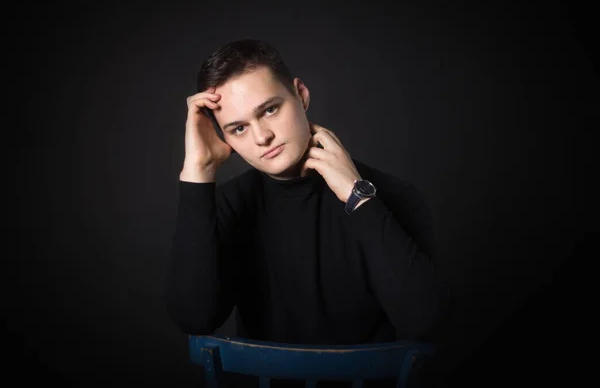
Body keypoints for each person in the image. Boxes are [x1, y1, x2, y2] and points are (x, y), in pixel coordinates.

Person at [165, 39, 449, 386]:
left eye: (270, 109)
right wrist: (198, 169)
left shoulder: (391, 196)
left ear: (301, 95)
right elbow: (195, 317)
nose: (262, 136)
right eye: (238, 128)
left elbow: (427, 323)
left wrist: (357, 196)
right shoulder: (228, 204)